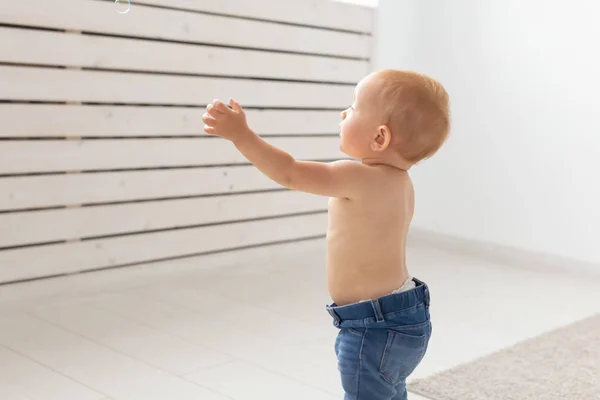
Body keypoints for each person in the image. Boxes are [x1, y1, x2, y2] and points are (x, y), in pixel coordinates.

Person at [202, 69, 450, 400]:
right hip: (408, 317)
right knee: (389, 392)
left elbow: (289, 172)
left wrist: (242, 136)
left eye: (354, 107)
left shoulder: (357, 176)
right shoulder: (401, 183)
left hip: (371, 327)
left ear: (380, 138)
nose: (344, 113)